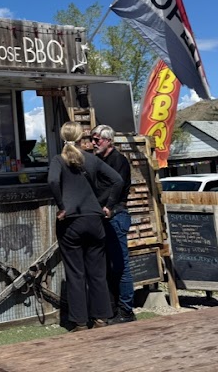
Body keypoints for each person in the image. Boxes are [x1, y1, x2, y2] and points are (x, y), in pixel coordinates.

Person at [48, 121, 123, 331]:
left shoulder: (57, 160)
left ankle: (80, 322)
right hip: (95, 219)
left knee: (75, 273)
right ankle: (101, 319)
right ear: (83, 138)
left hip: (70, 221)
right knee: (97, 272)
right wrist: (109, 206)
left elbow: (53, 182)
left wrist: (61, 206)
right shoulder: (92, 159)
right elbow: (117, 180)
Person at [91, 124, 135, 324]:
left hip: (116, 214)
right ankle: (114, 306)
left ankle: (126, 310)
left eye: (97, 139)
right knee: (109, 265)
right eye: (92, 139)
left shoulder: (119, 161)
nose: (93, 143)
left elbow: (115, 188)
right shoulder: (99, 160)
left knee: (121, 264)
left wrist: (107, 206)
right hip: (104, 216)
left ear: (108, 140)